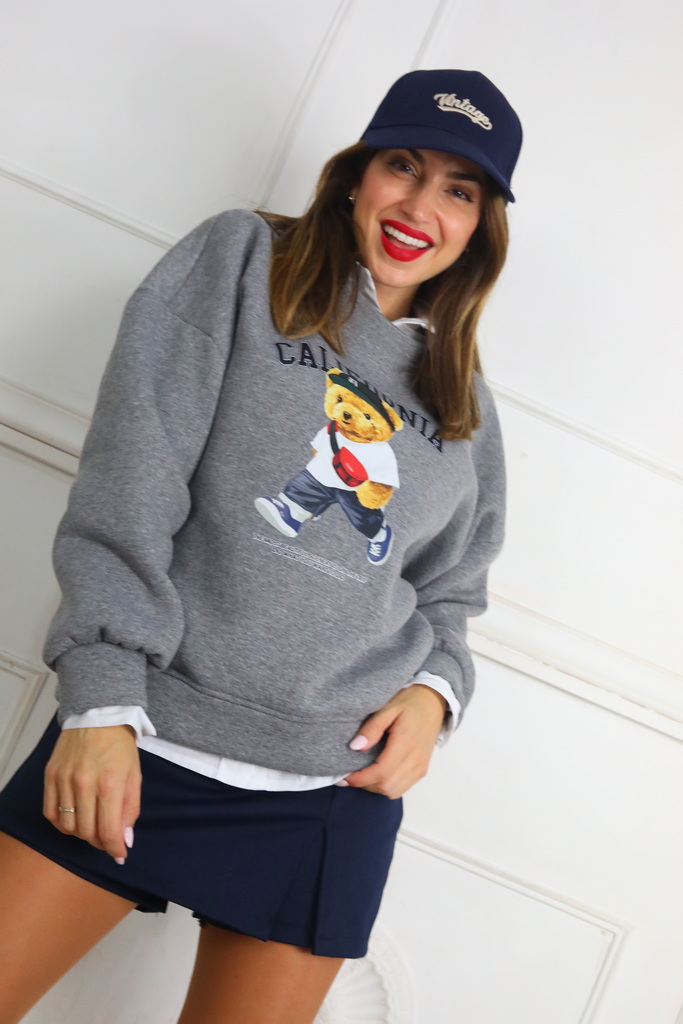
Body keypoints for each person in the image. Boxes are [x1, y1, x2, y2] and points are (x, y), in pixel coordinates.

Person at [0, 68, 522, 1024]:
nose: (420, 207)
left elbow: (451, 596)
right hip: (140, 732)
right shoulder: (242, 261)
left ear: (480, 227)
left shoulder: (464, 402)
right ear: (356, 174)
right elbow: (132, 477)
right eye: (403, 167)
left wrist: (434, 695)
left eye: (459, 190)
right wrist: (100, 703)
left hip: (326, 794)